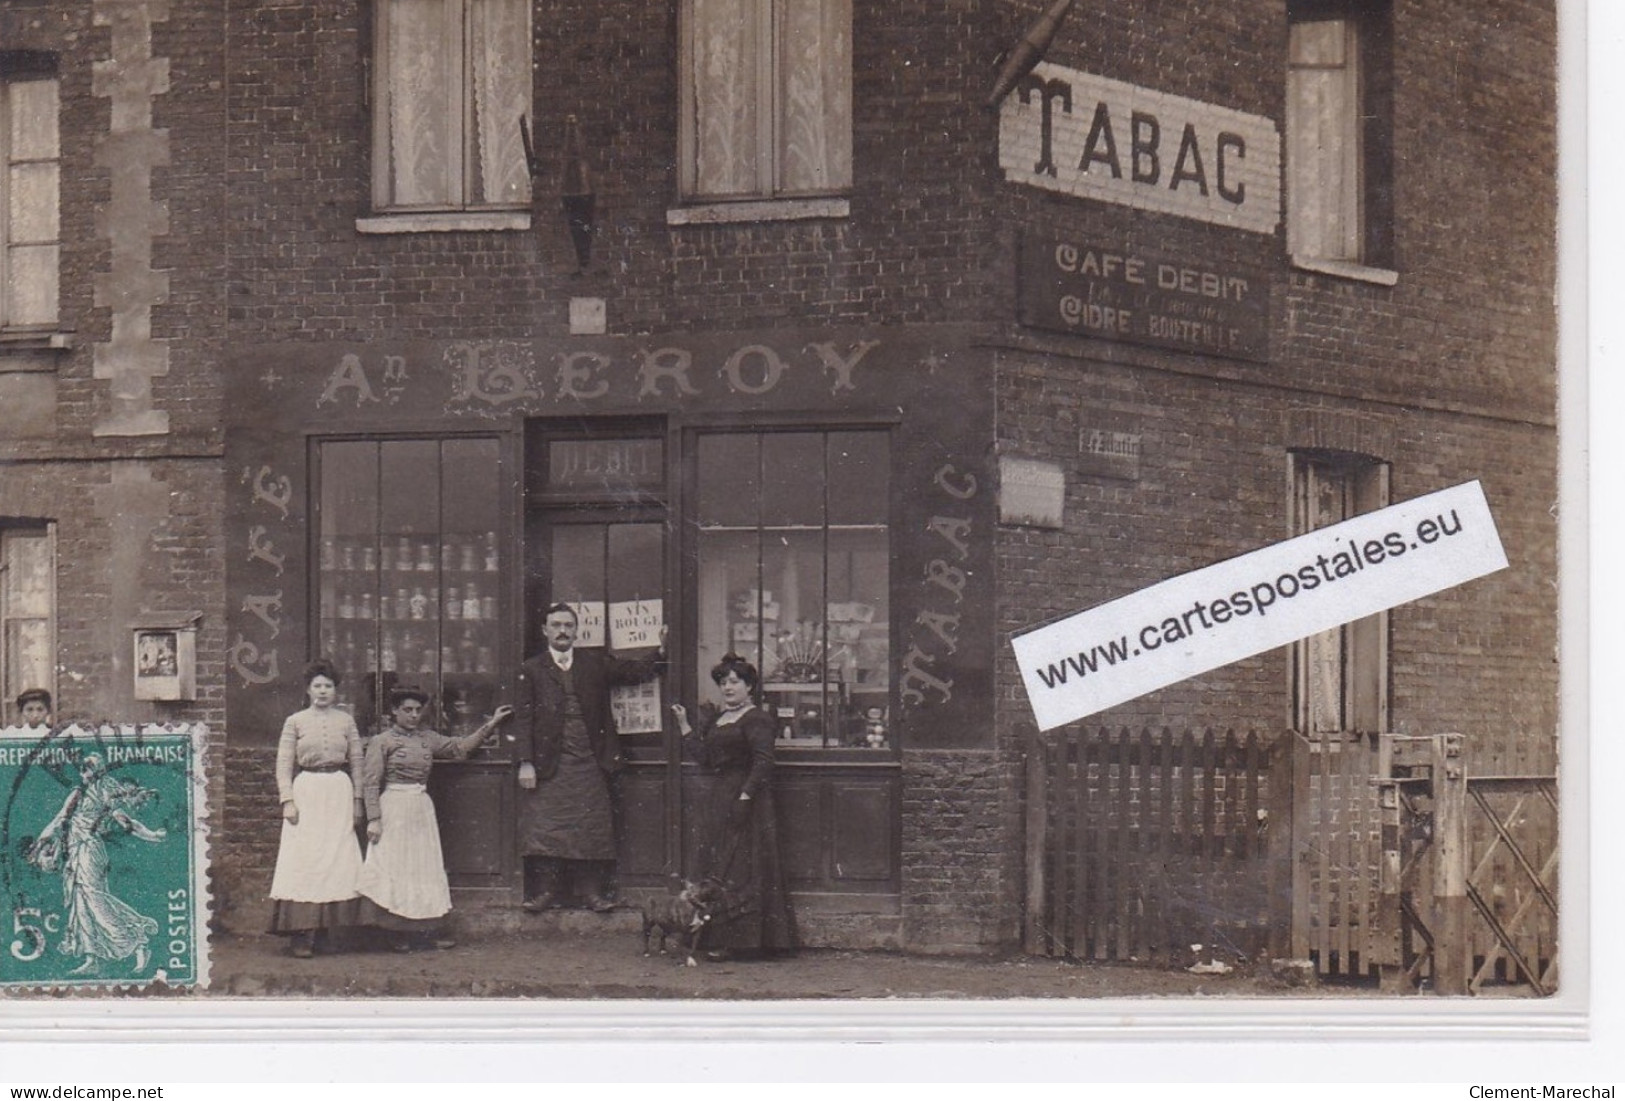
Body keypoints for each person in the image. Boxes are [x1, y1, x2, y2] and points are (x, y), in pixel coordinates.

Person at [515, 603, 666, 913]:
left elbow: (632, 672)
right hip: (549, 765)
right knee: (547, 828)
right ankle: (546, 893)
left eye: (568, 625)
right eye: (556, 625)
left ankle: (591, 894)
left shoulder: (593, 663)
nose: (562, 631)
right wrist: (525, 761)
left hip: (590, 761)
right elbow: (524, 718)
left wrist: (659, 650)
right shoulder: (531, 669)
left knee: (591, 828)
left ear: (576, 631)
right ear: (545, 630)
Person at [356, 686, 513, 951]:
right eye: (407, 710)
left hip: (420, 809)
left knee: (422, 867)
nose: (414, 715)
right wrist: (374, 819)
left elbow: (459, 748)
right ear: (394, 712)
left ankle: (424, 931)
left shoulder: (427, 738)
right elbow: (370, 782)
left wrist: (492, 723)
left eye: (418, 710)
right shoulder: (381, 741)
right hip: (393, 806)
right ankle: (396, 932)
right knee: (395, 867)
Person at [670, 653, 796, 961]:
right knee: (718, 866)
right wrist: (685, 725)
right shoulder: (719, 719)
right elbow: (706, 758)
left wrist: (745, 797)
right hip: (719, 798)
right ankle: (714, 937)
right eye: (723, 682)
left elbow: (764, 762)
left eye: (735, 682)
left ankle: (742, 942)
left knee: (741, 867)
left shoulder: (756, 718)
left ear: (749, 686)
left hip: (747, 800)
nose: (728, 688)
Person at [27, 753, 166, 976]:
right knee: (80, 903)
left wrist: (152, 835)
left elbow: (127, 822)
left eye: (88, 768)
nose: (83, 772)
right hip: (73, 852)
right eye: (82, 768)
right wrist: (40, 844)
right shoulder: (77, 793)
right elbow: (59, 819)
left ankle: (138, 941)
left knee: (95, 898)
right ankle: (92, 958)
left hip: (90, 850)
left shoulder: (105, 790)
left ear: (98, 770)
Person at [266, 659, 365, 958]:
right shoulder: (295, 721)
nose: (323, 691)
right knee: (305, 858)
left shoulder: (346, 721)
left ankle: (325, 932)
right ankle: (302, 934)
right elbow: (284, 764)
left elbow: (358, 762)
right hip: (307, 790)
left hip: (338, 790)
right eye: (317, 686)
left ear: (335, 690)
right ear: (309, 690)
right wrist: (288, 800)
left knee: (335, 858)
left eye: (328, 686)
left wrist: (358, 800)